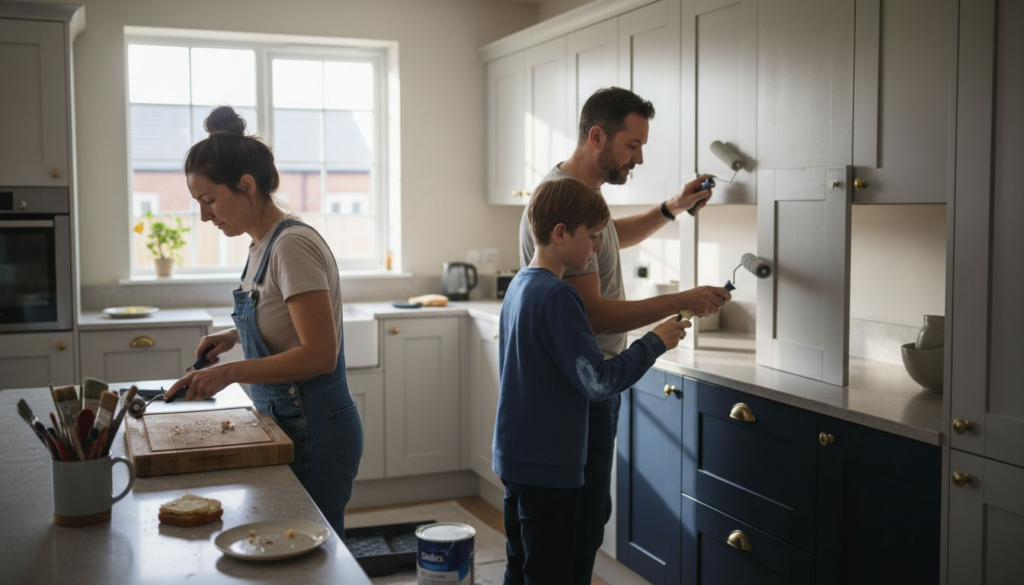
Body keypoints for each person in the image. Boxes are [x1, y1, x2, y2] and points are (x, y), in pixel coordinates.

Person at [518, 87, 733, 583]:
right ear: (598, 137)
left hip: (574, 394)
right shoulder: (568, 204)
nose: (639, 157)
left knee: (561, 534)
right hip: (583, 391)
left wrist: (673, 206)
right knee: (575, 531)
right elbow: (592, 315)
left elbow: (613, 233)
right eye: (632, 145)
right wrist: (682, 302)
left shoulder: (574, 198)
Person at [164, 106, 363, 538]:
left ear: (247, 185)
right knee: (283, 550)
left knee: (315, 562)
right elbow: (284, 317)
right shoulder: (261, 244)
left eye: (209, 200)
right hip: (287, 422)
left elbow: (319, 355)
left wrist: (230, 375)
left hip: (316, 432)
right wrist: (234, 336)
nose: (204, 216)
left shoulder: (292, 246)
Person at [495, 178, 690, 584]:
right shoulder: (559, 297)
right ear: (560, 233)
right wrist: (655, 341)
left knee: (521, 565)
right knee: (552, 572)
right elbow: (598, 382)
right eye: (594, 236)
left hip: (514, 456)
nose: (598, 248)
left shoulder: (519, 285)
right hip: (550, 466)